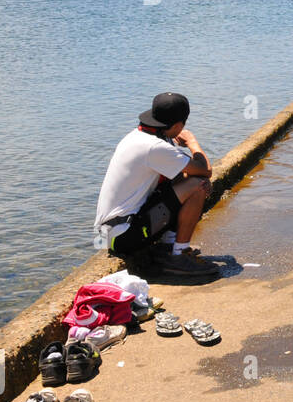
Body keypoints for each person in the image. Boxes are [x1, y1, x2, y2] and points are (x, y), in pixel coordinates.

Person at [94, 92, 219, 276]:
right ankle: (179, 254)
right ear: (177, 126)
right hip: (123, 237)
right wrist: (192, 142)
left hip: (111, 232)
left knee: (189, 181)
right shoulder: (155, 147)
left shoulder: (138, 136)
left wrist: (193, 179)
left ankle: (169, 246)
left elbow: (177, 179)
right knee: (197, 185)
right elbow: (205, 169)